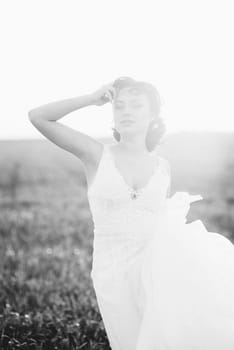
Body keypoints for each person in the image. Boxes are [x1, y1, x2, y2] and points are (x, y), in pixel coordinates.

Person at [29, 76, 234, 349]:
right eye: (120, 106)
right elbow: (38, 117)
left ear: (152, 115)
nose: (126, 112)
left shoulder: (163, 167)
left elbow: (162, 221)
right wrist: (91, 99)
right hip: (111, 270)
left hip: (157, 266)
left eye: (136, 105)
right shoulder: (95, 154)